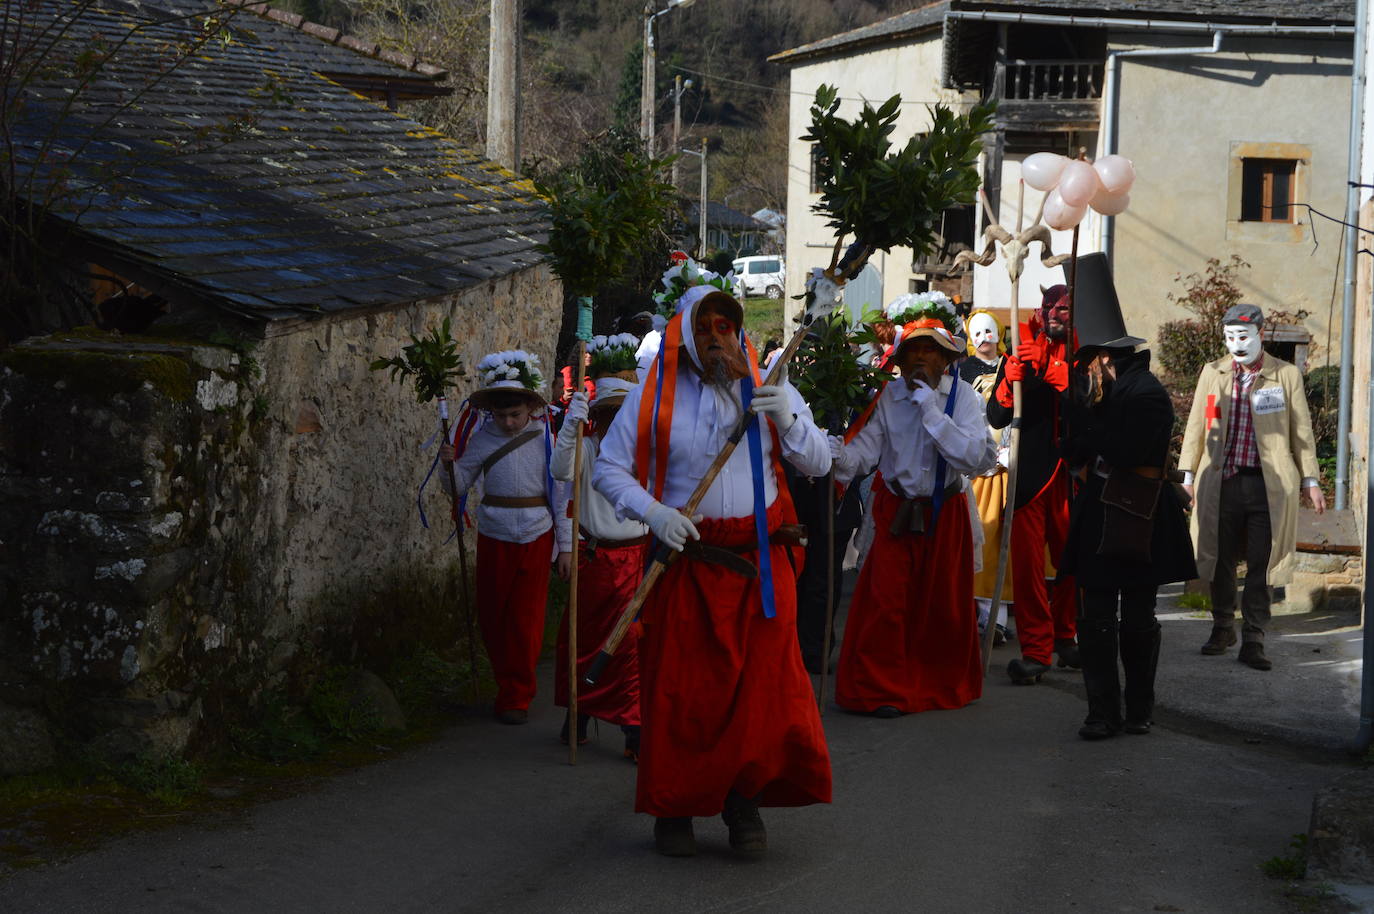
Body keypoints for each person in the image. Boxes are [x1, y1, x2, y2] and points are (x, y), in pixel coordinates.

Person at [594, 284, 832, 858]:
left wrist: (792, 423)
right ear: (685, 335)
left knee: (760, 697)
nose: (718, 340)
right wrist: (654, 513)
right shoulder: (653, 395)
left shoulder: (770, 385)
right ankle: (674, 807)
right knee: (685, 693)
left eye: (727, 327)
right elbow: (608, 468)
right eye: (707, 329)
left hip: (760, 566)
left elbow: (820, 463)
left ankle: (741, 801)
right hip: (688, 563)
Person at [829, 294, 997, 717]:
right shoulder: (887, 396)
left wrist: (931, 412)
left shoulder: (961, 398)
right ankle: (881, 690)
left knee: (941, 608)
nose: (921, 357)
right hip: (896, 512)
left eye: (930, 350)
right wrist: (828, 451)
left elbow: (976, 459)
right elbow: (863, 456)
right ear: (900, 358)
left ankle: (936, 684)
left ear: (946, 358)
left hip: (946, 514)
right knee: (885, 602)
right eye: (913, 350)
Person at [1059, 256, 1196, 739]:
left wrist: (1088, 420)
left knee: (1138, 617)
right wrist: (1073, 411)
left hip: (1141, 514)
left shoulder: (1146, 394)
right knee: (1094, 617)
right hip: (1099, 514)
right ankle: (1101, 712)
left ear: (1105, 358)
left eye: (1087, 361)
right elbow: (1070, 448)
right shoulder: (1098, 394)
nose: (1084, 370)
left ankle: (1137, 710)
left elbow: (1124, 448)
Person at [1178, 303, 1324, 671]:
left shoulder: (1285, 375)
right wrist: (1187, 476)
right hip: (1222, 481)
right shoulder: (1213, 373)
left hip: (1267, 485)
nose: (1236, 344)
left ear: (1260, 334)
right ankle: (1223, 626)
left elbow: (1301, 431)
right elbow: (1196, 425)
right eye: (1229, 337)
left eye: (1242, 336)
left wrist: (1310, 479)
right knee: (1220, 558)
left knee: (1263, 563)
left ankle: (1254, 637)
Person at [440, 351, 572, 724]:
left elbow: (560, 495)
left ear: (531, 405)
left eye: (516, 414)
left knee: (526, 619)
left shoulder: (548, 437)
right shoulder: (480, 440)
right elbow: (458, 486)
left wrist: (564, 547)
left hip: (536, 532)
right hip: (494, 531)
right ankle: (505, 682)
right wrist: (448, 464)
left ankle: (518, 695)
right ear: (491, 413)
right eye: (502, 416)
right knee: (494, 614)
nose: (510, 422)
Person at [551, 362, 646, 759]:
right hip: (595, 557)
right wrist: (572, 422)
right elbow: (559, 470)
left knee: (631, 644)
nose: (619, 423)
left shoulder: (647, 453)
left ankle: (633, 726)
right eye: (611, 414)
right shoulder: (587, 449)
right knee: (585, 640)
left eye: (627, 415)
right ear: (601, 416)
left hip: (638, 558)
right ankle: (580, 712)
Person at [987, 284, 1080, 684]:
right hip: (1029, 477)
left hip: (1074, 475)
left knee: (1074, 564)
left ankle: (1067, 635)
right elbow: (996, 416)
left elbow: (1087, 402)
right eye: (1051, 308)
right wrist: (1009, 381)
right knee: (1026, 571)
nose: (1056, 315)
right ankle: (1037, 651)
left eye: (1064, 309)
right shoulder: (1019, 349)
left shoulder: (1085, 353)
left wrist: (1057, 370)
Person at [961, 310, 1014, 641]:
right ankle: (986, 617)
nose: (983, 339)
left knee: (1007, 542)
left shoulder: (1013, 366)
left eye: (989, 331)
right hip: (980, 470)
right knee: (981, 537)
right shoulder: (964, 372)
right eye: (976, 333)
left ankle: (1003, 616)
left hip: (1012, 466)